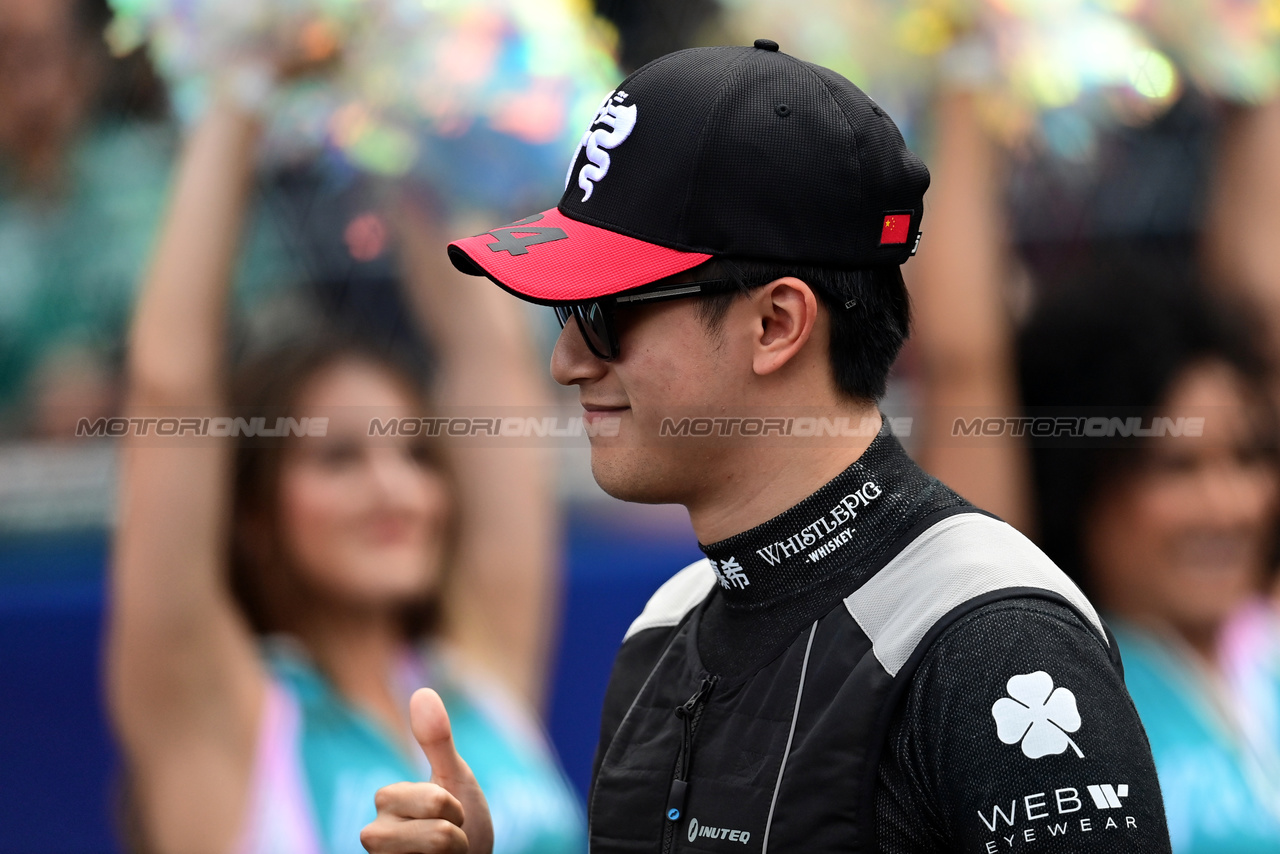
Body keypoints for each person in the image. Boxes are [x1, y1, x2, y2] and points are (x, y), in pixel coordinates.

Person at [361, 41, 1173, 853]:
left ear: (776, 323)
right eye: (562, 313)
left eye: (604, 309)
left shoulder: (989, 634)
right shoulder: (662, 634)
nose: (568, 361)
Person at [105, 86, 585, 854]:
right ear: (254, 512)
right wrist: (240, 78)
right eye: (338, 457)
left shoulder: (478, 669)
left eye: (415, 454)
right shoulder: (215, 710)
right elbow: (170, 390)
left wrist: (391, 82)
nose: (394, 488)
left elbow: (491, 361)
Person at [1017, 274, 1280, 852]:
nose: (1228, 506)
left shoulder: (1270, 656)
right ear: (1081, 483)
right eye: (1176, 467)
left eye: (1248, 457)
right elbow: (961, 364)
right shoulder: (1056, 705)